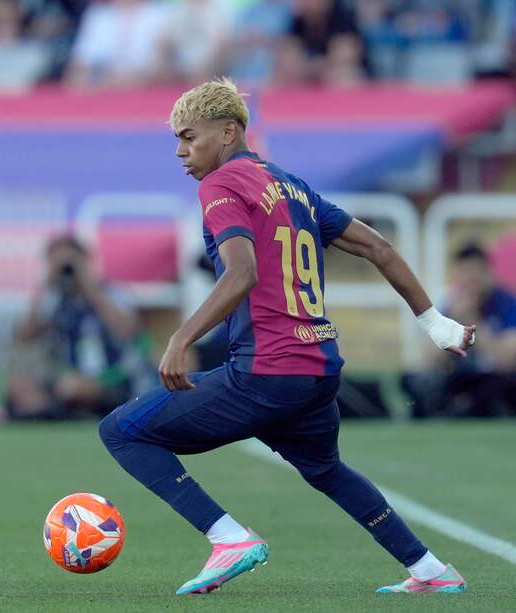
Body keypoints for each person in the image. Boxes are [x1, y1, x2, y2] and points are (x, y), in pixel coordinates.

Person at [98, 78, 475, 596]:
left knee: (122, 430)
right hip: (318, 368)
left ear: (228, 131)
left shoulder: (221, 185)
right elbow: (379, 247)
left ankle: (228, 538)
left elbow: (241, 273)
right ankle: (432, 570)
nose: (181, 152)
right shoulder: (294, 187)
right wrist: (436, 324)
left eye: (189, 137)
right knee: (325, 470)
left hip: (267, 369)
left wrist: (180, 338)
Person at [7, 234, 145, 419]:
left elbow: (127, 329)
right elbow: (25, 335)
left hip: (111, 379)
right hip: (64, 378)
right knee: (20, 387)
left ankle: (55, 411)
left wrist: (90, 287)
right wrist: (45, 287)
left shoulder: (110, 291)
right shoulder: (54, 298)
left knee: (71, 389)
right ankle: (50, 412)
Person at [403, 242, 516, 417]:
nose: (470, 280)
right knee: (411, 380)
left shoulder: (506, 302)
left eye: (475, 272)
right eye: (464, 272)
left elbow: (506, 360)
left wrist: (472, 321)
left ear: (488, 273)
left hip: (492, 378)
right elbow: (429, 359)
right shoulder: (448, 303)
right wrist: (454, 322)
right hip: (457, 377)